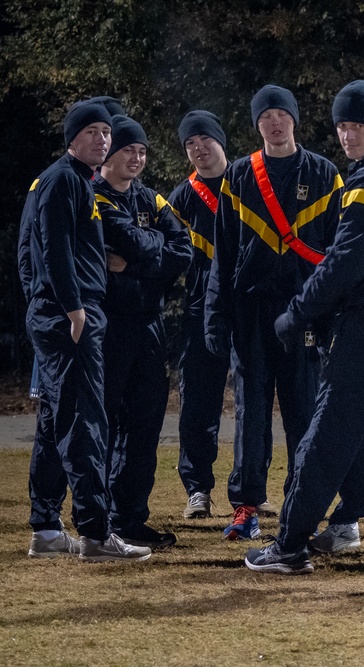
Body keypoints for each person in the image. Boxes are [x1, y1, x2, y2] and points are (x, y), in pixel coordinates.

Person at [245, 80, 364, 595]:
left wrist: (296, 314)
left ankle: (288, 546)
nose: (347, 133)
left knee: (327, 435)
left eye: (357, 124)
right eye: (341, 125)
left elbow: (342, 266)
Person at [205, 84, 344, 540]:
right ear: (257, 125)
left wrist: (330, 316)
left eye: (282, 114)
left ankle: (302, 502)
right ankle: (246, 507)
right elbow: (223, 256)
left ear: (295, 121)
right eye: (266, 117)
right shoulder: (240, 176)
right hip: (251, 312)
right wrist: (216, 315)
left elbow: (339, 251)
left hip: (303, 312)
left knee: (306, 410)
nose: (275, 123)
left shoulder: (325, 173)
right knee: (251, 411)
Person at [19, 99, 151, 562]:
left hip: (60, 313)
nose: (103, 139)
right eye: (92, 131)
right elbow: (51, 252)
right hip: (72, 316)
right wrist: (73, 310)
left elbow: (32, 254)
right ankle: (96, 534)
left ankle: (47, 529)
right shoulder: (62, 181)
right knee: (85, 422)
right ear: (72, 137)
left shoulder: (72, 181)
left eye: (106, 132)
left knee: (58, 420)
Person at [93, 115, 193, 549]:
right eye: (128, 150)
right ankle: (98, 521)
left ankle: (131, 518)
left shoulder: (152, 200)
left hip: (148, 327)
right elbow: (126, 239)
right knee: (105, 425)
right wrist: (148, 251)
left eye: (142, 151)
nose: (136, 158)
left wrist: (133, 263)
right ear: (109, 154)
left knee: (146, 426)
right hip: (108, 326)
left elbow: (183, 251)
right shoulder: (93, 197)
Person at [168, 110, 231, 519]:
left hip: (247, 307)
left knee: (257, 404)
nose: (198, 149)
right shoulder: (181, 197)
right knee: (198, 404)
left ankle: (251, 490)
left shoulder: (246, 182)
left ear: (220, 141)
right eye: (190, 144)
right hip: (198, 311)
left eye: (204, 139)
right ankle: (198, 489)